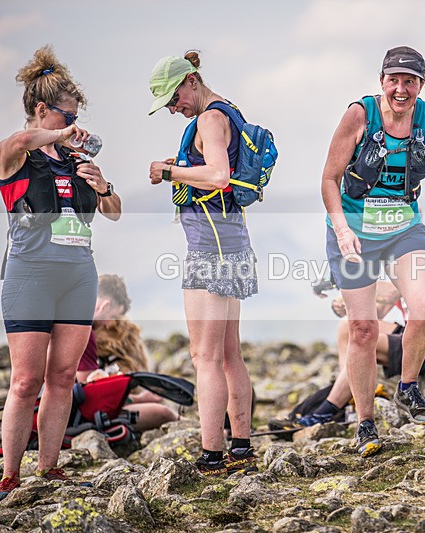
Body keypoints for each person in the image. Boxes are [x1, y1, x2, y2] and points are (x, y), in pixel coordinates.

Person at [0, 46, 121, 503]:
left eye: (77, 119)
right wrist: (61, 133)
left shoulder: (73, 160)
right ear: (42, 110)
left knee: (63, 377)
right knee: (26, 380)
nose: (73, 126)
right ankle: (10, 474)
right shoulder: (16, 153)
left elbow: (115, 212)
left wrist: (101, 185)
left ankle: (49, 467)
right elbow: (18, 142)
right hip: (30, 275)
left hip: (78, 274)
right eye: (66, 116)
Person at [320, 46, 425, 457]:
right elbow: (329, 179)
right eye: (394, 80)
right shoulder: (359, 115)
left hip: (403, 227)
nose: (401, 89)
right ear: (381, 80)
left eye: (410, 81)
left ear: (421, 83)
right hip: (355, 232)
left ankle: (407, 386)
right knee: (363, 329)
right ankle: (365, 423)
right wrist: (343, 230)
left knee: (424, 306)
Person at [148, 51, 256, 476]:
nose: (174, 109)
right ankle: (241, 446)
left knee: (204, 356)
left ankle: (212, 455)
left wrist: (169, 172)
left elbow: (218, 176)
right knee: (229, 353)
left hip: (210, 248)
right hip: (233, 241)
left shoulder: (210, 119)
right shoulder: (229, 111)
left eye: (173, 99)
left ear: (192, 80)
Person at [297, 239, 425, 427]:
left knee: (368, 347)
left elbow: (396, 289)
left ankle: (325, 411)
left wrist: (347, 285)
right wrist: (348, 305)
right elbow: (375, 314)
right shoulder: (396, 257)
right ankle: (350, 397)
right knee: (350, 330)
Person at [76, 274, 179, 431]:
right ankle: (201, 430)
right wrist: (138, 399)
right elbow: (91, 397)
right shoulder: (84, 331)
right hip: (76, 416)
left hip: (50, 407)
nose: (108, 324)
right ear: (105, 306)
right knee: (164, 413)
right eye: (113, 316)